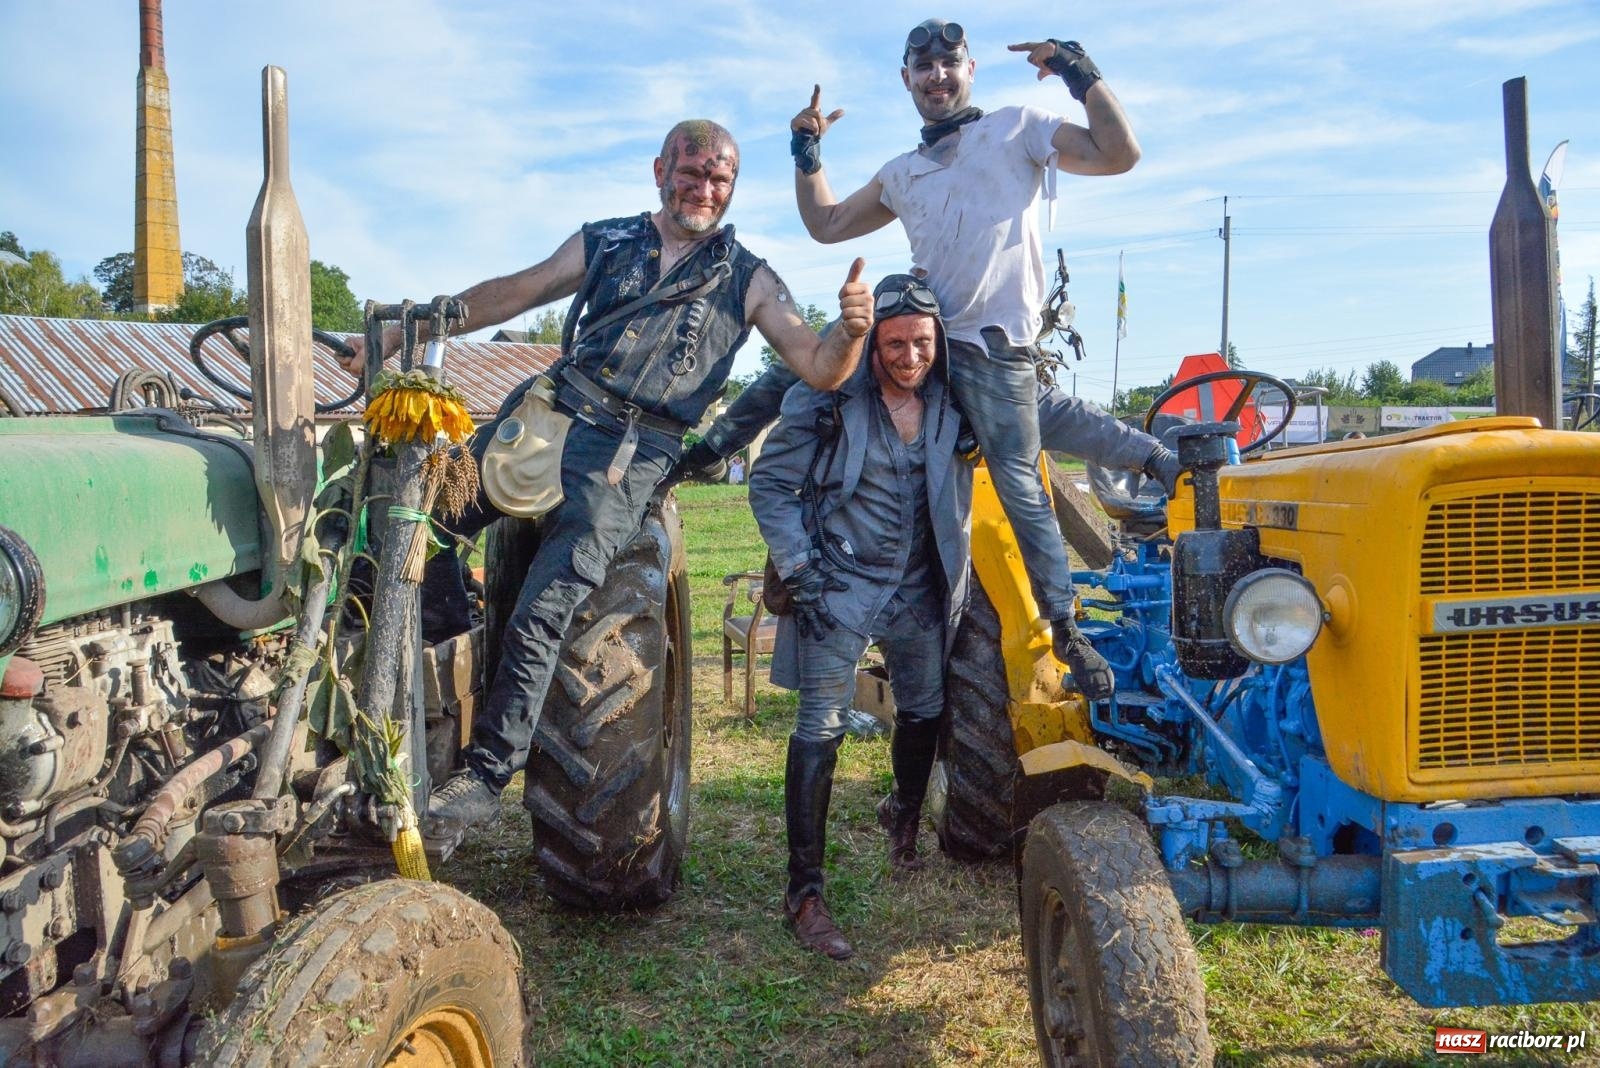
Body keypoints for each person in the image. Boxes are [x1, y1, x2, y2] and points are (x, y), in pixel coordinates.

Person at [342, 120, 874, 840]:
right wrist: (415, 328)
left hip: (631, 453)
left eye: (720, 180)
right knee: (407, 526)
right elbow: (518, 291)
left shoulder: (750, 279)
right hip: (547, 415)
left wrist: (850, 331)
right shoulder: (608, 240)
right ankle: (424, 673)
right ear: (661, 170)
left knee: (545, 607)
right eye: (692, 174)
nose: (705, 190)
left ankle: (485, 772)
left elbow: (817, 364)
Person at [784, 21, 1178, 700]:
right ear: (906, 80)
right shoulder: (901, 173)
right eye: (923, 67)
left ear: (969, 69)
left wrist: (1080, 72)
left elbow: (1120, 153)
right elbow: (826, 225)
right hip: (928, 343)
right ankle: (729, 449)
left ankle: (1065, 625)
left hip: (995, 346)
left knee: (1025, 464)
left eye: (948, 63)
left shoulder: (1016, 128)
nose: (937, 76)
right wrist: (806, 149)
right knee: (816, 362)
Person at [750, 274, 969, 961]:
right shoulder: (828, 400)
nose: (909, 358)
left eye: (922, 344)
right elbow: (770, 483)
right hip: (838, 586)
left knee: (927, 708)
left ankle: (903, 816)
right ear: (873, 341)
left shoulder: (950, 402)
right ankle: (805, 893)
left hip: (917, 590)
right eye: (896, 343)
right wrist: (800, 567)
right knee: (820, 725)